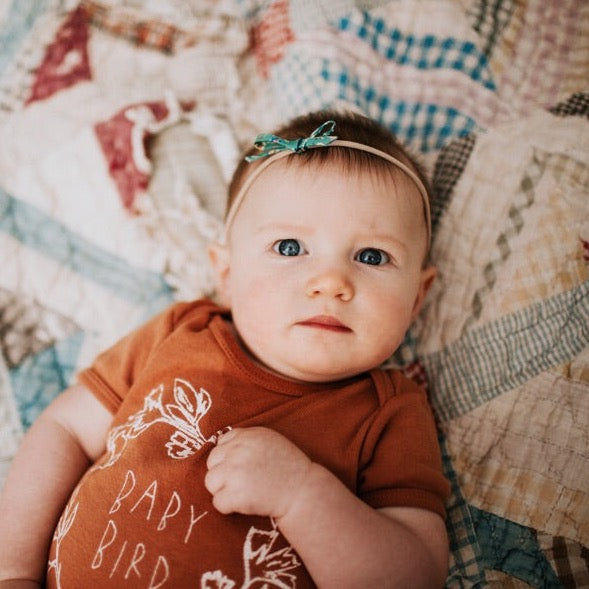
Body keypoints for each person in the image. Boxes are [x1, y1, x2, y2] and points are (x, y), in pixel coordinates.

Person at [0, 110, 450, 588]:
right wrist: (12, 570)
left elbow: (414, 575)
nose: (330, 283)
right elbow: (65, 428)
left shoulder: (389, 411)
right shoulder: (181, 332)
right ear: (227, 272)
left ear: (417, 297)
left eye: (371, 257)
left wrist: (301, 494)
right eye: (290, 247)